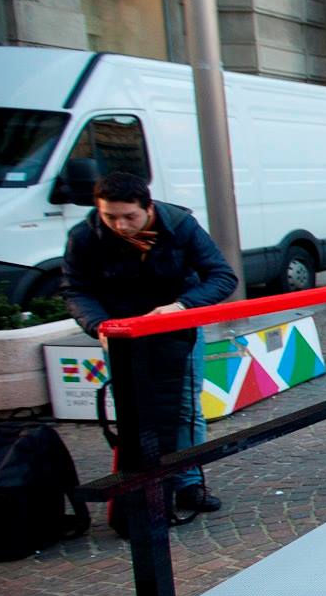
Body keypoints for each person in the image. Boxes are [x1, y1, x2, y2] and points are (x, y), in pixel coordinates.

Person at [61, 172, 238, 514]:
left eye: (130, 216)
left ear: (149, 207)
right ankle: (145, 489)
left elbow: (222, 276)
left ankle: (188, 484)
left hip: (176, 328)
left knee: (185, 409)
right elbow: (75, 289)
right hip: (122, 335)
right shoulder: (84, 236)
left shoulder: (181, 225)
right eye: (110, 216)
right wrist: (99, 326)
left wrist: (181, 306)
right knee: (134, 410)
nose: (121, 225)